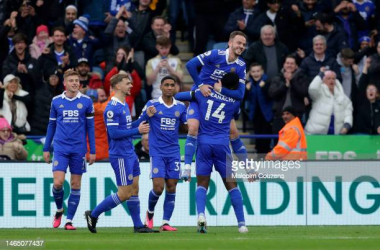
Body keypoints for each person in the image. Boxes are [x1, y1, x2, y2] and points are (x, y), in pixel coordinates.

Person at [85, 73, 158, 234]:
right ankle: (93, 214)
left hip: (130, 153)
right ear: (118, 86)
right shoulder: (111, 108)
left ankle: (138, 225)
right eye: (127, 83)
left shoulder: (124, 105)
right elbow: (114, 133)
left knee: (135, 189)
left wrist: (146, 116)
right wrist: (137, 130)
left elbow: (128, 126)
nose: (131, 86)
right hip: (120, 155)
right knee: (124, 193)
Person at [177, 73, 249, 233]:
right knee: (232, 185)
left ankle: (201, 215)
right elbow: (233, 129)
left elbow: (178, 95)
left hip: (204, 144)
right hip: (222, 145)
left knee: (202, 184)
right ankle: (242, 224)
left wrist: (196, 92)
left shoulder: (204, 93)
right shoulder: (236, 102)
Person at [177, 31, 248, 178]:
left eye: (244, 44)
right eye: (238, 43)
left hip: (220, 100)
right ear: (230, 43)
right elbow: (190, 65)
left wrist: (221, 90)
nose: (241, 46)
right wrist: (201, 85)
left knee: (234, 132)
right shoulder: (216, 54)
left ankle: (248, 168)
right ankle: (187, 168)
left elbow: (240, 94)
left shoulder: (241, 65)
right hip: (201, 95)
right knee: (193, 128)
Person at [43, 69, 96, 230]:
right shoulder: (56, 101)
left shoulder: (86, 101)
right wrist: (47, 148)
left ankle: (69, 220)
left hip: (78, 149)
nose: (74, 83)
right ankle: (59, 209)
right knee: (58, 183)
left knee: (75, 185)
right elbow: (51, 125)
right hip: (60, 148)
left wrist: (92, 150)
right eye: (71, 80)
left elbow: (90, 128)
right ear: (64, 83)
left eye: (76, 80)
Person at [137, 76, 187, 231]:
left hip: (174, 152)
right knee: (158, 188)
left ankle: (165, 222)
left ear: (176, 87)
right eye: (167, 85)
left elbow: (185, 128)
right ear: (161, 87)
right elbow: (139, 123)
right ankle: (150, 213)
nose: (170, 88)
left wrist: (192, 118)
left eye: (172, 85)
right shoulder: (152, 105)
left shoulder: (180, 107)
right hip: (157, 152)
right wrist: (147, 116)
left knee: (172, 187)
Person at [305, 70, 353, 134]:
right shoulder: (318, 92)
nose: (331, 80)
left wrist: (347, 126)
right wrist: (320, 74)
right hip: (315, 132)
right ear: (323, 80)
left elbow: (348, 112)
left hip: (335, 133)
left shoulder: (342, 96)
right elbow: (312, 88)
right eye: (328, 78)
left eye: (333, 79)